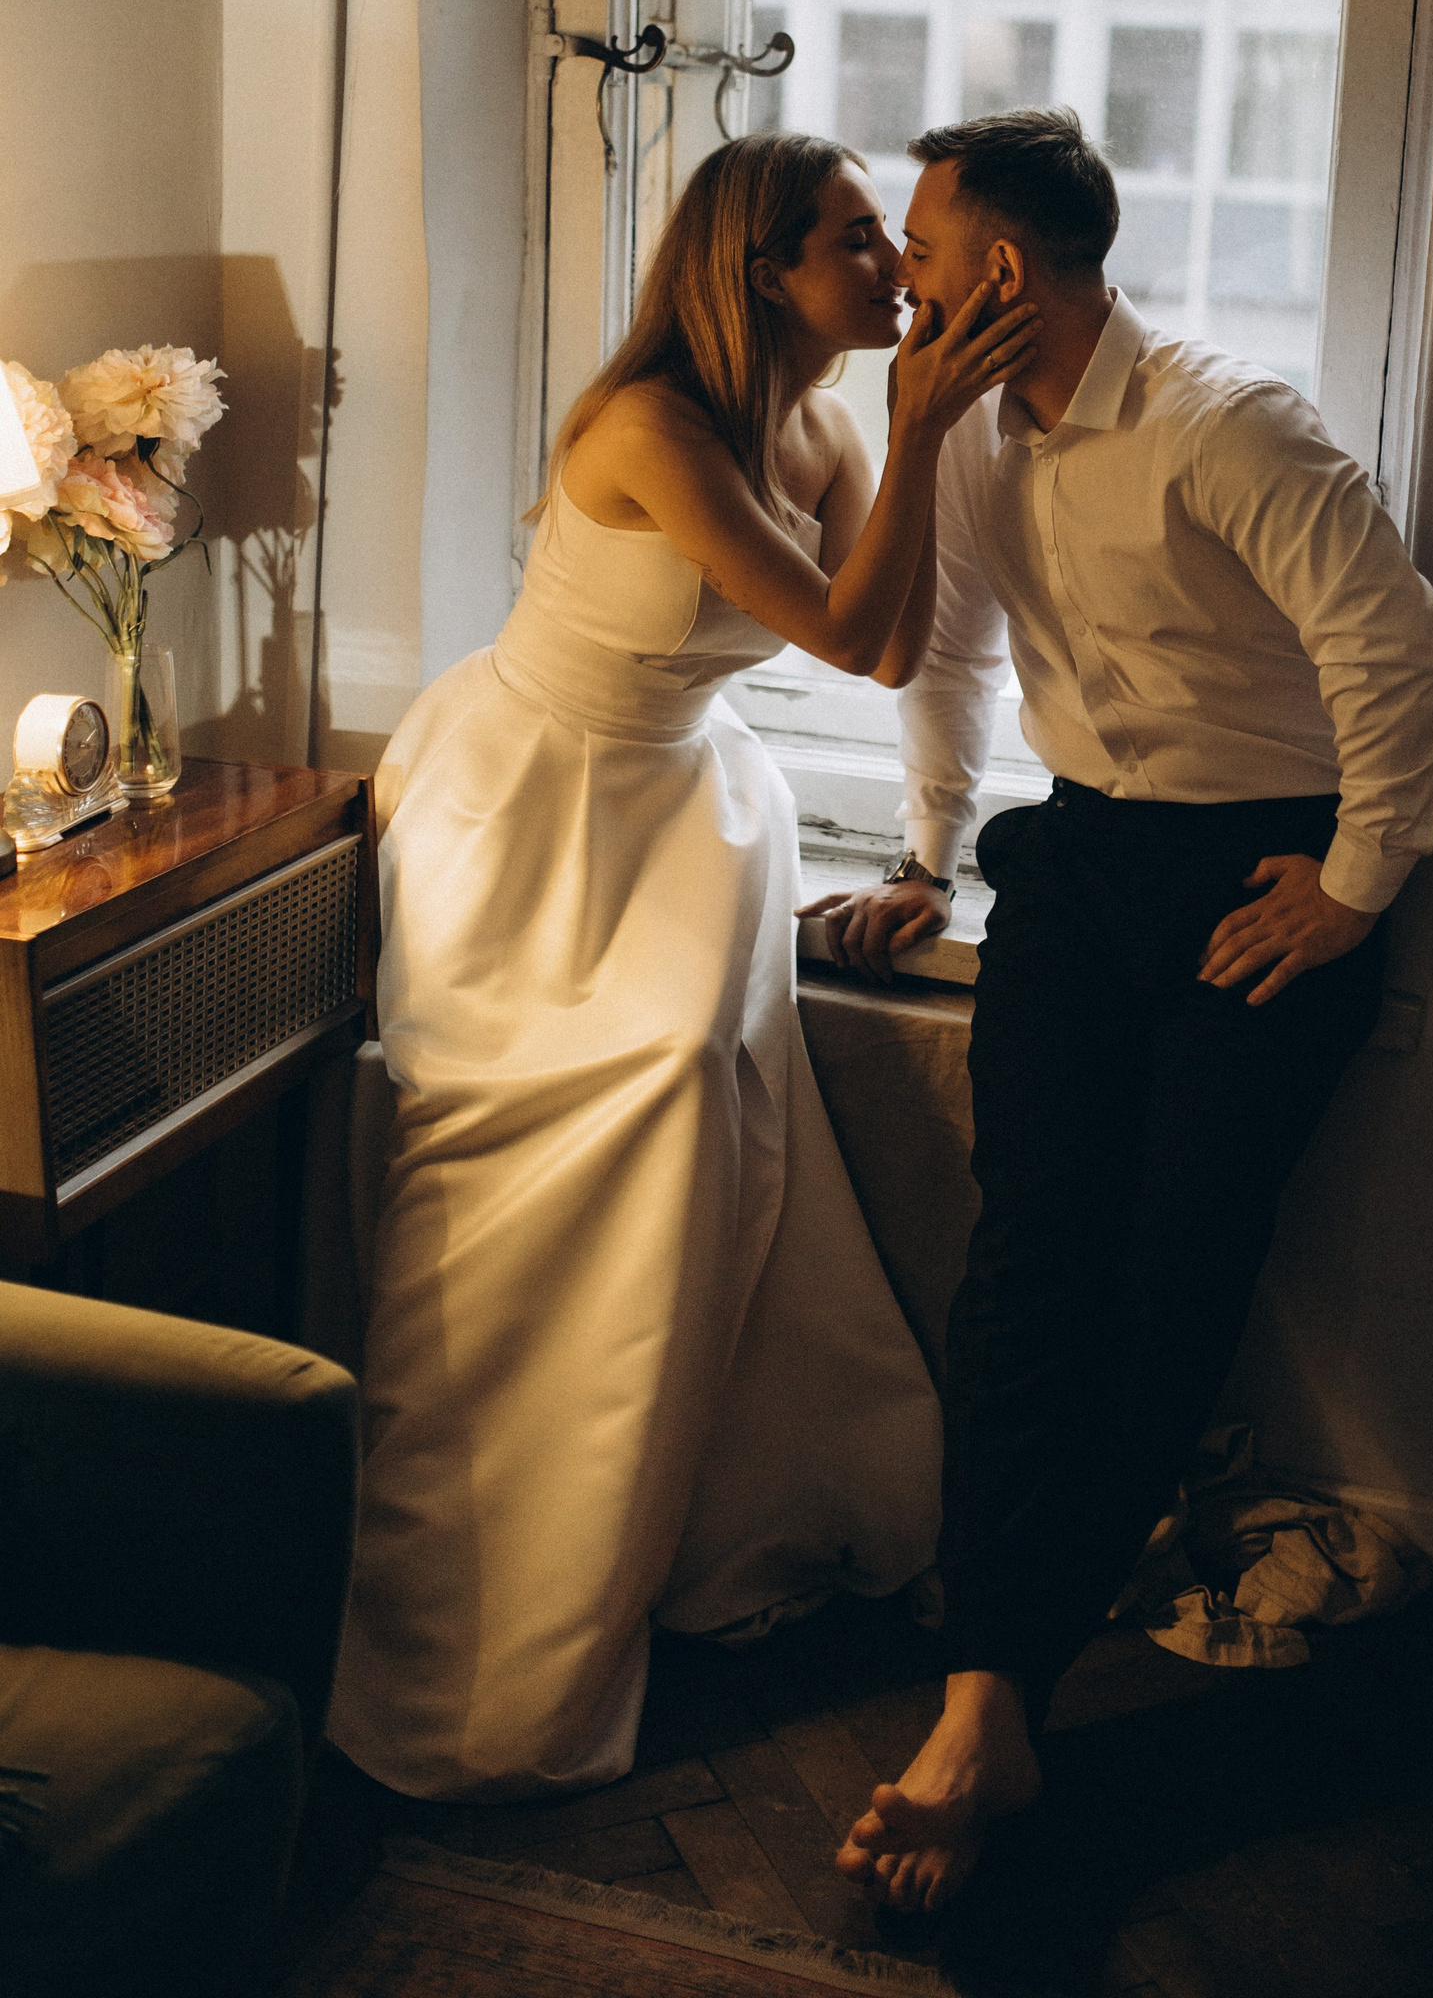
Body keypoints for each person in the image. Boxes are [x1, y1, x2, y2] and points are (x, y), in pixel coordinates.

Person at [327, 134, 1039, 1801]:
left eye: (889, 237)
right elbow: (845, 631)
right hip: (528, 809)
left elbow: (908, 645)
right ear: (760, 273)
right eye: (855, 240)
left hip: (686, 812)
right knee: (597, 1125)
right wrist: (929, 420)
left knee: (715, 1130)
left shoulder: (826, 426)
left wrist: (929, 852)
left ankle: (704, 1514)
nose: (895, 269)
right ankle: (477, 1606)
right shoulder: (648, 428)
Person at [807, 109, 1433, 1912]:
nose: (903, 283)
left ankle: (991, 1703)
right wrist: (928, 855)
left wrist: (1355, 887)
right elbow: (944, 653)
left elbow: (1394, 649)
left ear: (1003, 270)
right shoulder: (965, 433)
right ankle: (988, 1697)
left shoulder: (1226, 426)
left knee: (1170, 1274)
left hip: (1261, 882)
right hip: (1081, 864)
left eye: (921, 251)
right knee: (1024, 1268)